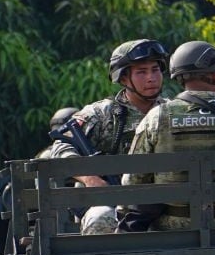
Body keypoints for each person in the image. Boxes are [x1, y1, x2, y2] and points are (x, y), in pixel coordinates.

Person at [120, 41, 215, 231]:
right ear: (214, 74)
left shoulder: (156, 117)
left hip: (171, 227)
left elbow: (133, 180)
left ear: (179, 76)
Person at [50, 39, 170, 234]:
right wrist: (90, 179)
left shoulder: (171, 111)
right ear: (122, 79)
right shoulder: (101, 113)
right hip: (111, 203)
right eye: (141, 72)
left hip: (164, 201)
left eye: (155, 70)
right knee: (100, 218)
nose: (151, 78)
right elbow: (61, 147)